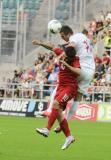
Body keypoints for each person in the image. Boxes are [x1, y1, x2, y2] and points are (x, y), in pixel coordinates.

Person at [32, 26, 95, 132]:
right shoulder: (84, 37)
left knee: (62, 83)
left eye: (63, 36)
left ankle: (49, 109)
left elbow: (70, 48)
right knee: (77, 99)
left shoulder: (73, 38)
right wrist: (41, 43)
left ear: (68, 34)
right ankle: (64, 123)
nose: (63, 39)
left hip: (80, 68)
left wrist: (62, 56)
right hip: (90, 72)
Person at [32, 43, 80, 150]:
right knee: (58, 113)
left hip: (70, 88)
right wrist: (39, 43)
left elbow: (78, 71)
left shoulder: (75, 60)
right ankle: (69, 137)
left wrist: (67, 65)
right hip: (60, 87)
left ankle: (47, 129)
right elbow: (52, 47)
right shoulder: (63, 54)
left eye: (66, 56)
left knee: (55, 104)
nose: (64, 57)